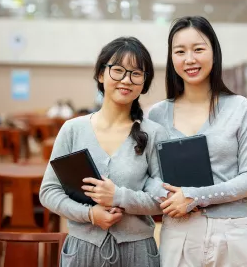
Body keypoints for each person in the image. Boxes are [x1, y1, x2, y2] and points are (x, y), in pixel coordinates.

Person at [39, 36, 169, 267]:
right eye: (118, 70)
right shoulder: (73, 130)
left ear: (144, 83)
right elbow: (49, 191)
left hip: (137, 251)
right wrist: (90, 215)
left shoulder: (154, 133)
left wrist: (119, 197)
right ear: (101, 75)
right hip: (82, 249)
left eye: (136, 73)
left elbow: (164, 199)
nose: (126, 80)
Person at [148, 16, 247, 266]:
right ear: (171, 58)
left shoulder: (239, 108)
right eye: (180, 51)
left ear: (214, 52)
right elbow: (148, 177)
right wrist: (168, 197)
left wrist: (195, 197)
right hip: (178, 232)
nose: (189, 59)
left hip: (232, 232)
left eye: (198, 49)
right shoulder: (155, 114)